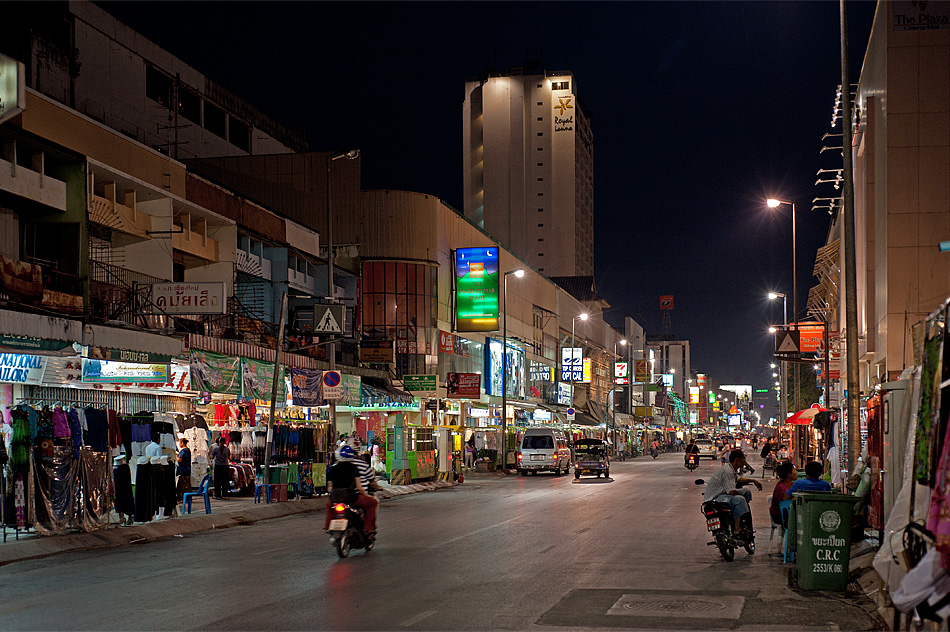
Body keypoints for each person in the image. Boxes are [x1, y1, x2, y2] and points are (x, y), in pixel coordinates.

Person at [704, 449, 763, 535]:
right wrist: (741, 497)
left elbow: (736, 481)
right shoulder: (728, 471)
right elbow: (731, 491)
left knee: (746, 491)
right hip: (715, 498)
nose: (744, 461)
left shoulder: (731, 469)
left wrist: (753, 480)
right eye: (743, 459)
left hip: (722, 494)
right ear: (737, 460)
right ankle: (737, 527)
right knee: (740, 499)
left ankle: (743, 515)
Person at [325, 445, 378, 536]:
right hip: (350, 497)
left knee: (329, 506)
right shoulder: (353, 468)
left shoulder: (333, 468)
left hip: (334, 497)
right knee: (373, 503)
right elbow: (359, 487)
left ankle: (328, 527)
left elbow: (330, 488)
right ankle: (368, 528)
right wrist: (366, 495)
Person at [769, 461, 797, 525]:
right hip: (779, 515)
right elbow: (786, 501)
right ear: (789, 474)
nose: (796, 473)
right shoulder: (781, 487)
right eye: (794, 471)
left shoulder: (793, 484)